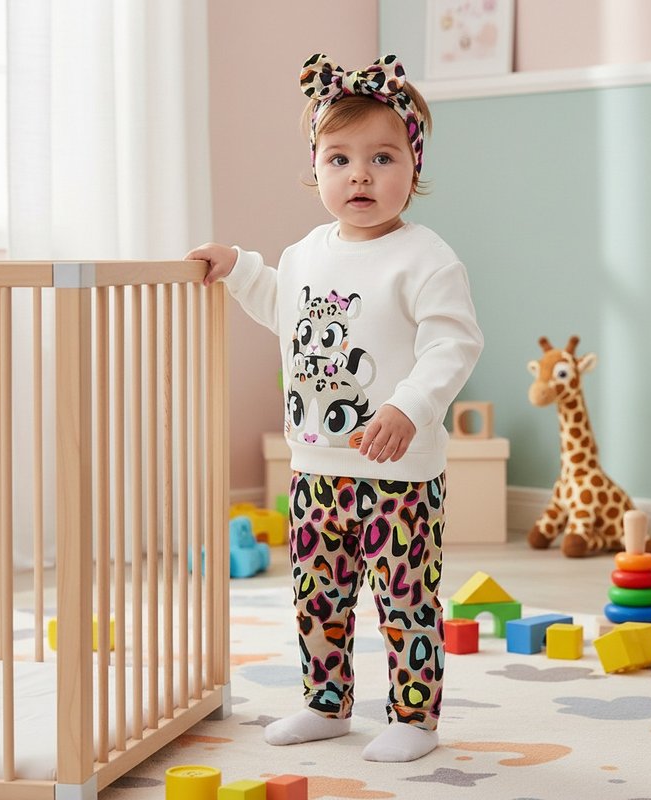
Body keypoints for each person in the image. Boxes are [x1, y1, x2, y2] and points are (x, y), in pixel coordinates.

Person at [187, 53, 483, 762]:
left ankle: (414, 717)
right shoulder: (306, 254)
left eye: (382, 157)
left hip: (399, 471)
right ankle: (326, 703)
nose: (360, 176)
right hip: (316, 464)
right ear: (315, 169)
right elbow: (280, 306)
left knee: (405, 598)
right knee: (318, 594)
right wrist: (239, 267)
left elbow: (453, 344)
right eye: (340, 158)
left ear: (413, 166)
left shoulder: (426, 258)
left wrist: (409, 407)